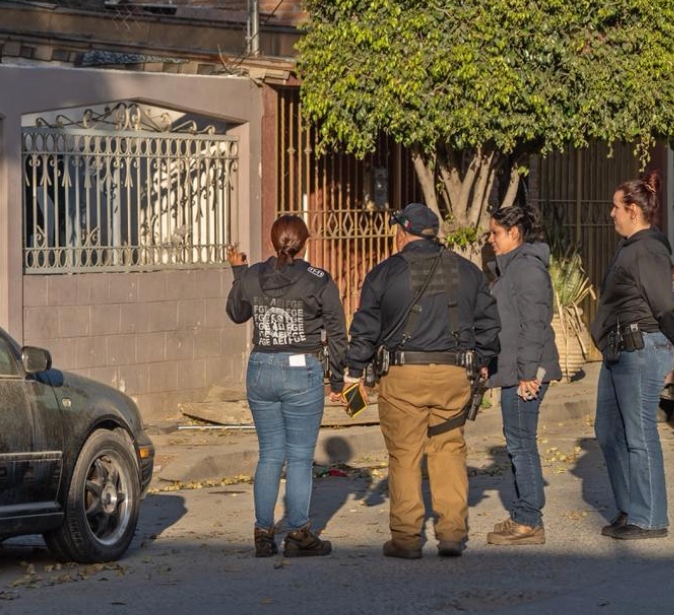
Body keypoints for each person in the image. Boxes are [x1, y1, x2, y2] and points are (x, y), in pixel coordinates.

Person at [345, 203, 500, 559]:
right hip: (454, 374)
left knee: (404, 454)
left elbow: (366, 328)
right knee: (449, 450)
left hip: (402, 376)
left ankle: (406, 538)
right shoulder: (468, 271)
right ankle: (451, 533)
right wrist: (483, 361)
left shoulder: (384, 273)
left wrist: (354, 371)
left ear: (403, 232)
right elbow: (489, 325)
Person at [226, 215, 348, 558]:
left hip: (261, 367)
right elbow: (337, 333)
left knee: (269, 454)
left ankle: (263, 532)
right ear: (305, 243)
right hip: (301, 371)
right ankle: (298, 533)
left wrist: (238, 272)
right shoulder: (318, 281)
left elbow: (236, 313)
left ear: (272, 241)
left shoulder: (253, 275)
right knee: (297, 457)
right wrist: (337, 379)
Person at [591, 174, 674, 540]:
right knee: (608, 430)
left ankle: (649, 518)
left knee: (638, 433)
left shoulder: (647, 249)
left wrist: (673, 337)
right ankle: (631, 508)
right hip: (619, 349)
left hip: (640, 349)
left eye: (616, 207)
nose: (611, 213)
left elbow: (663, 302)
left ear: (632, 210)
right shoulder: (632, 247)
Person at [483, 205, 562, 546]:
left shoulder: (527, 269)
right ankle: (522, 513)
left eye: (495, 233)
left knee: (521, 445)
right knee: (517, 443)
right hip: (515, 369)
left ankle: (529, 520)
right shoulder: (513, 268)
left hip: (524, 373)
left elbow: (535, 323)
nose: (490, 240)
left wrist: (529, 372)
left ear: (514, 234)